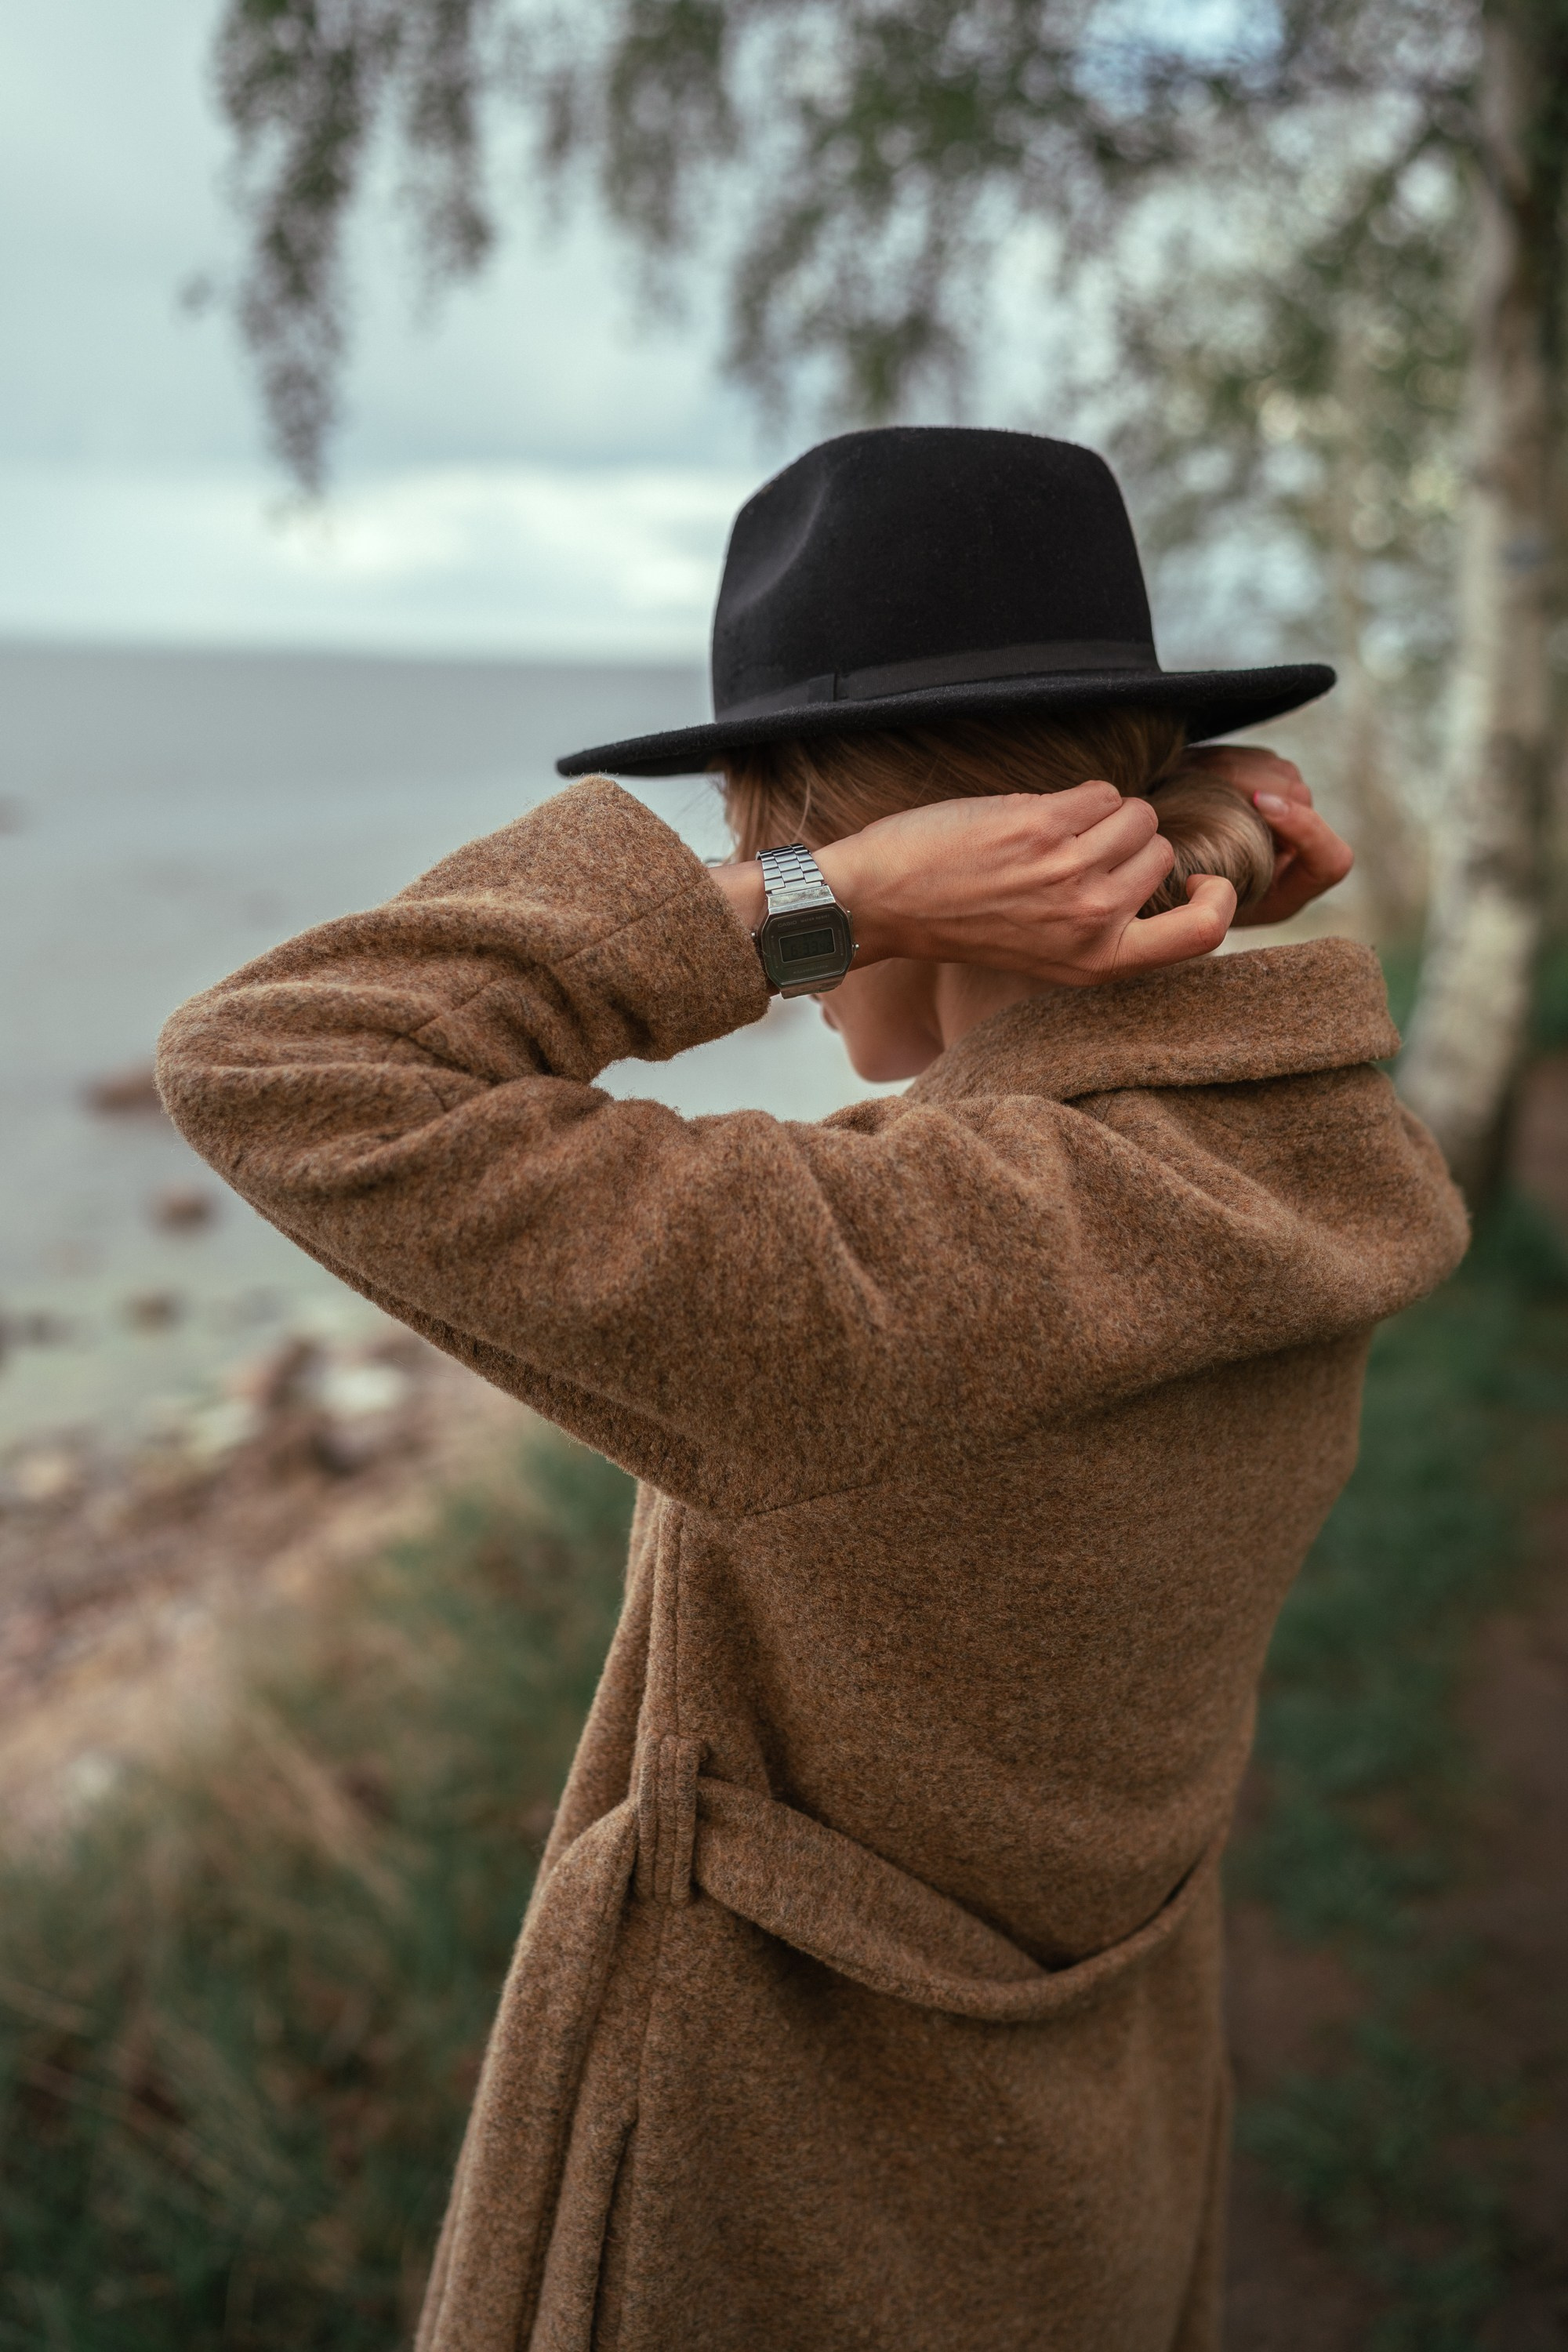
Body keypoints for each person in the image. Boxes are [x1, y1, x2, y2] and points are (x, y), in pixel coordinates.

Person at [157, 428, 1468, 2352]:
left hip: (777, 2197)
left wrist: (810, 896)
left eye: (769, 815)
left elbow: (279, 1060)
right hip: (1081, 2135)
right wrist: (1207, 841)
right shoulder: (1295, 1170)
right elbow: (1026, 1156)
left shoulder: (889, 1290)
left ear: (905, 858)